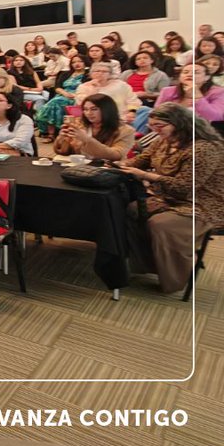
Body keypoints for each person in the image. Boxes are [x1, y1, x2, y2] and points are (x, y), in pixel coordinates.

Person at [120, 104, 224, 293]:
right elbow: (139, 161)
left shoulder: (205, 148)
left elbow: (186, 187)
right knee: (131, 209)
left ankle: (174, 279)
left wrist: (146, 176)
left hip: (202, 203)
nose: (155, 130)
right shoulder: (163, 141)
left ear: (179, 123)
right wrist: (119, 164)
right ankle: (149, 265)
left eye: (160, 125)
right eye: (152, 126)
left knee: (161, 224)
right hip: (168, 197)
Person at [53, 93, 135, 162]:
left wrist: (86, 139)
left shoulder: (126, 130)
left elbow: (116, 155)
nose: (88, 113)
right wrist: (62, 139)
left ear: (107, 110)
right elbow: (64, 153)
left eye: (94, 109)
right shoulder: (79, 124)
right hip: (79, 167)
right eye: (85, 109)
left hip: (105, 171)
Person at [35, 54, 88, 135]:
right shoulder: (66, 74)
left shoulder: (88, 75)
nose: (77, 64)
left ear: (85, 62)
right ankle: (51, 133)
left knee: (55, 103)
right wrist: (65, 93)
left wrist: (75, 95)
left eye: (80, 61)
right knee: (53, 104)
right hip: (63, 95)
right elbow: (57, 87)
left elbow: (88, 88)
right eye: (74, 62)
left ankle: (53, 133)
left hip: (79, 96)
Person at [153, 62, 224, 123]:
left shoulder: (218, 92)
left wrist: (197, 96)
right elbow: (156, 114)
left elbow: (216, 116)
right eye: (185, 72)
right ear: (180, 77)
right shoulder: (167, 91)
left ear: (207, 77)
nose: (189, 75)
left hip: (201, 130)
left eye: (196, 72)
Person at [74, 62, 141, 121]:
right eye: (97, 71)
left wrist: (132, 112)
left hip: (123, 117)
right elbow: (81, 103)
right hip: (95, 118)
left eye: (104, 72)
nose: (100, 73)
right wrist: (94, 89)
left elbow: (132, 100)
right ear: (91, 74)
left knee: (144, 110)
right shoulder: (83, 87)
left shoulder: (121, 85)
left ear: (110, 74)